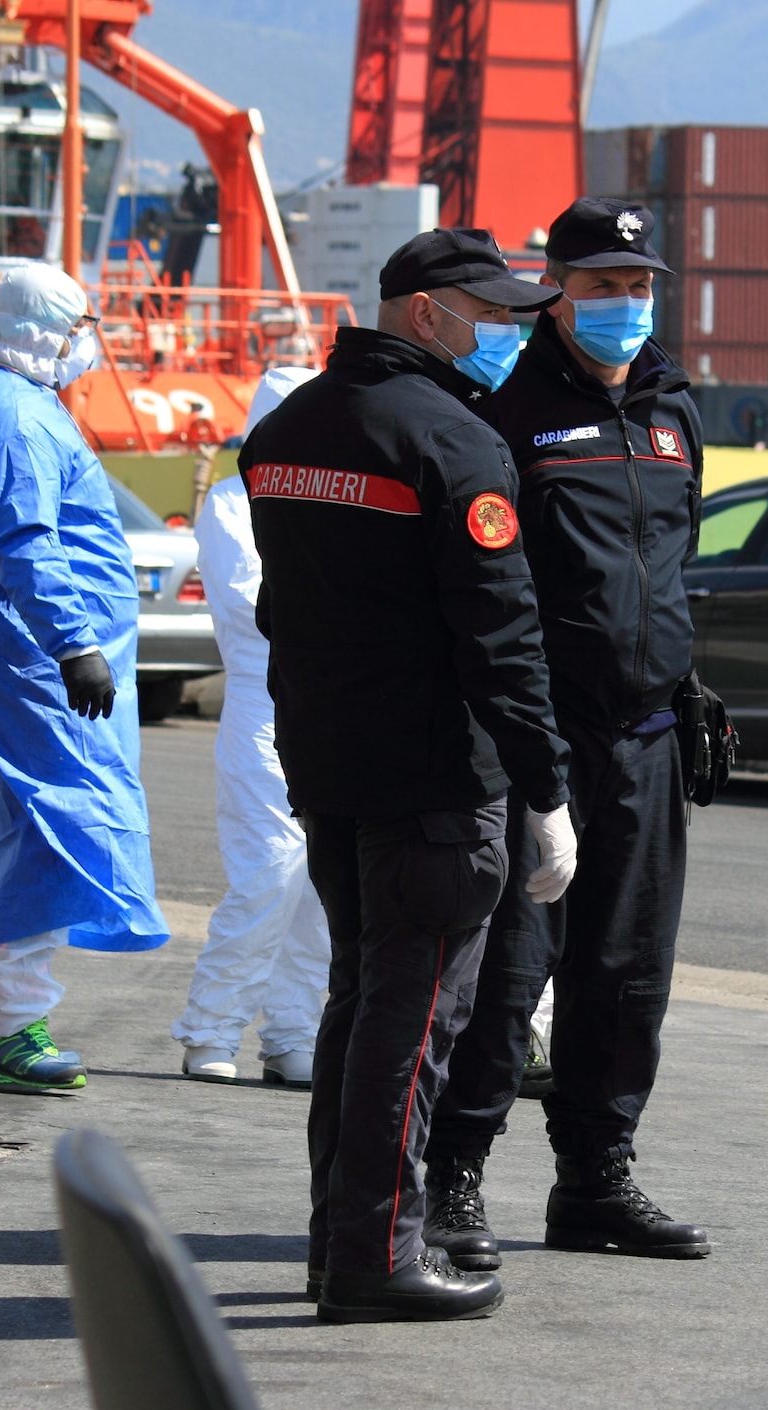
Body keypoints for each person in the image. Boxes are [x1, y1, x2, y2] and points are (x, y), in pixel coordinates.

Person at [243, 228, 576, 1324]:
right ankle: (379, 1248)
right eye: (495, 316)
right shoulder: (455, 445)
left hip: (330, 762)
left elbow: (276, 611)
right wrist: (545, 788)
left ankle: (335, 1236)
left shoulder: (286, 431)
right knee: (415, 1016)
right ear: (426, 313)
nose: (510, 335)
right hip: (436, 779)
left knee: (359, 999)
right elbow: (502, 639)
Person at [423, 198, 710, 1266]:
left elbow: (669, 567)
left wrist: (688, 687)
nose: (623, 304)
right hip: (534, 741)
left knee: (627, 971)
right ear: (554, 287)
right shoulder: (506, 406)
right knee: (507, 971)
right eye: (600, 285)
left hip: (646, 738)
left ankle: (595, 1177)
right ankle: (451, 1178)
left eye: (638, 285)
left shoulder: (671, 407)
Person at [0, 262, 170, 1093]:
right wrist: (74, 643)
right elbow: (25, 540)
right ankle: (9, 1024)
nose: (88, 343)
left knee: (1, 837)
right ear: (50, 330)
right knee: (54, 832)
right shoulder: (17, 416)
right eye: (83, 325)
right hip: (21, 652)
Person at [170, 366, 331, 1087]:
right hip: (264, 713)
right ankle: (211, 1026)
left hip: (333, 711)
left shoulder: (337, 496)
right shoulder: (234, 503)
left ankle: (292, 1035)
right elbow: (247, 607)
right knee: (269, 873)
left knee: (324, 886)